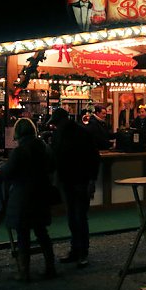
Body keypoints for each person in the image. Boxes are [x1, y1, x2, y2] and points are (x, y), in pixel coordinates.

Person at [0, 118, 57, 282]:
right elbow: (53, 166)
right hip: (41, 192)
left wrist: (0, 166)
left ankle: (24, 272)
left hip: (23, 195)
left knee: (23, 234)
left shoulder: (20, 151)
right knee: (42, 233)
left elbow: (8, 171)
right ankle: (50, 267)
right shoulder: (44, 148)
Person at [47, 107, 100, 267]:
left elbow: (92, 157)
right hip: (76, 179)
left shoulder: (64, 134)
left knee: (76, 216)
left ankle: (79, 250)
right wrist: (92, 179)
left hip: (73, 180)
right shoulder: (80, 132)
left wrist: (91, 180)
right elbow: (94, 157)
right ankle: (79, 251)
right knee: (76, 216)